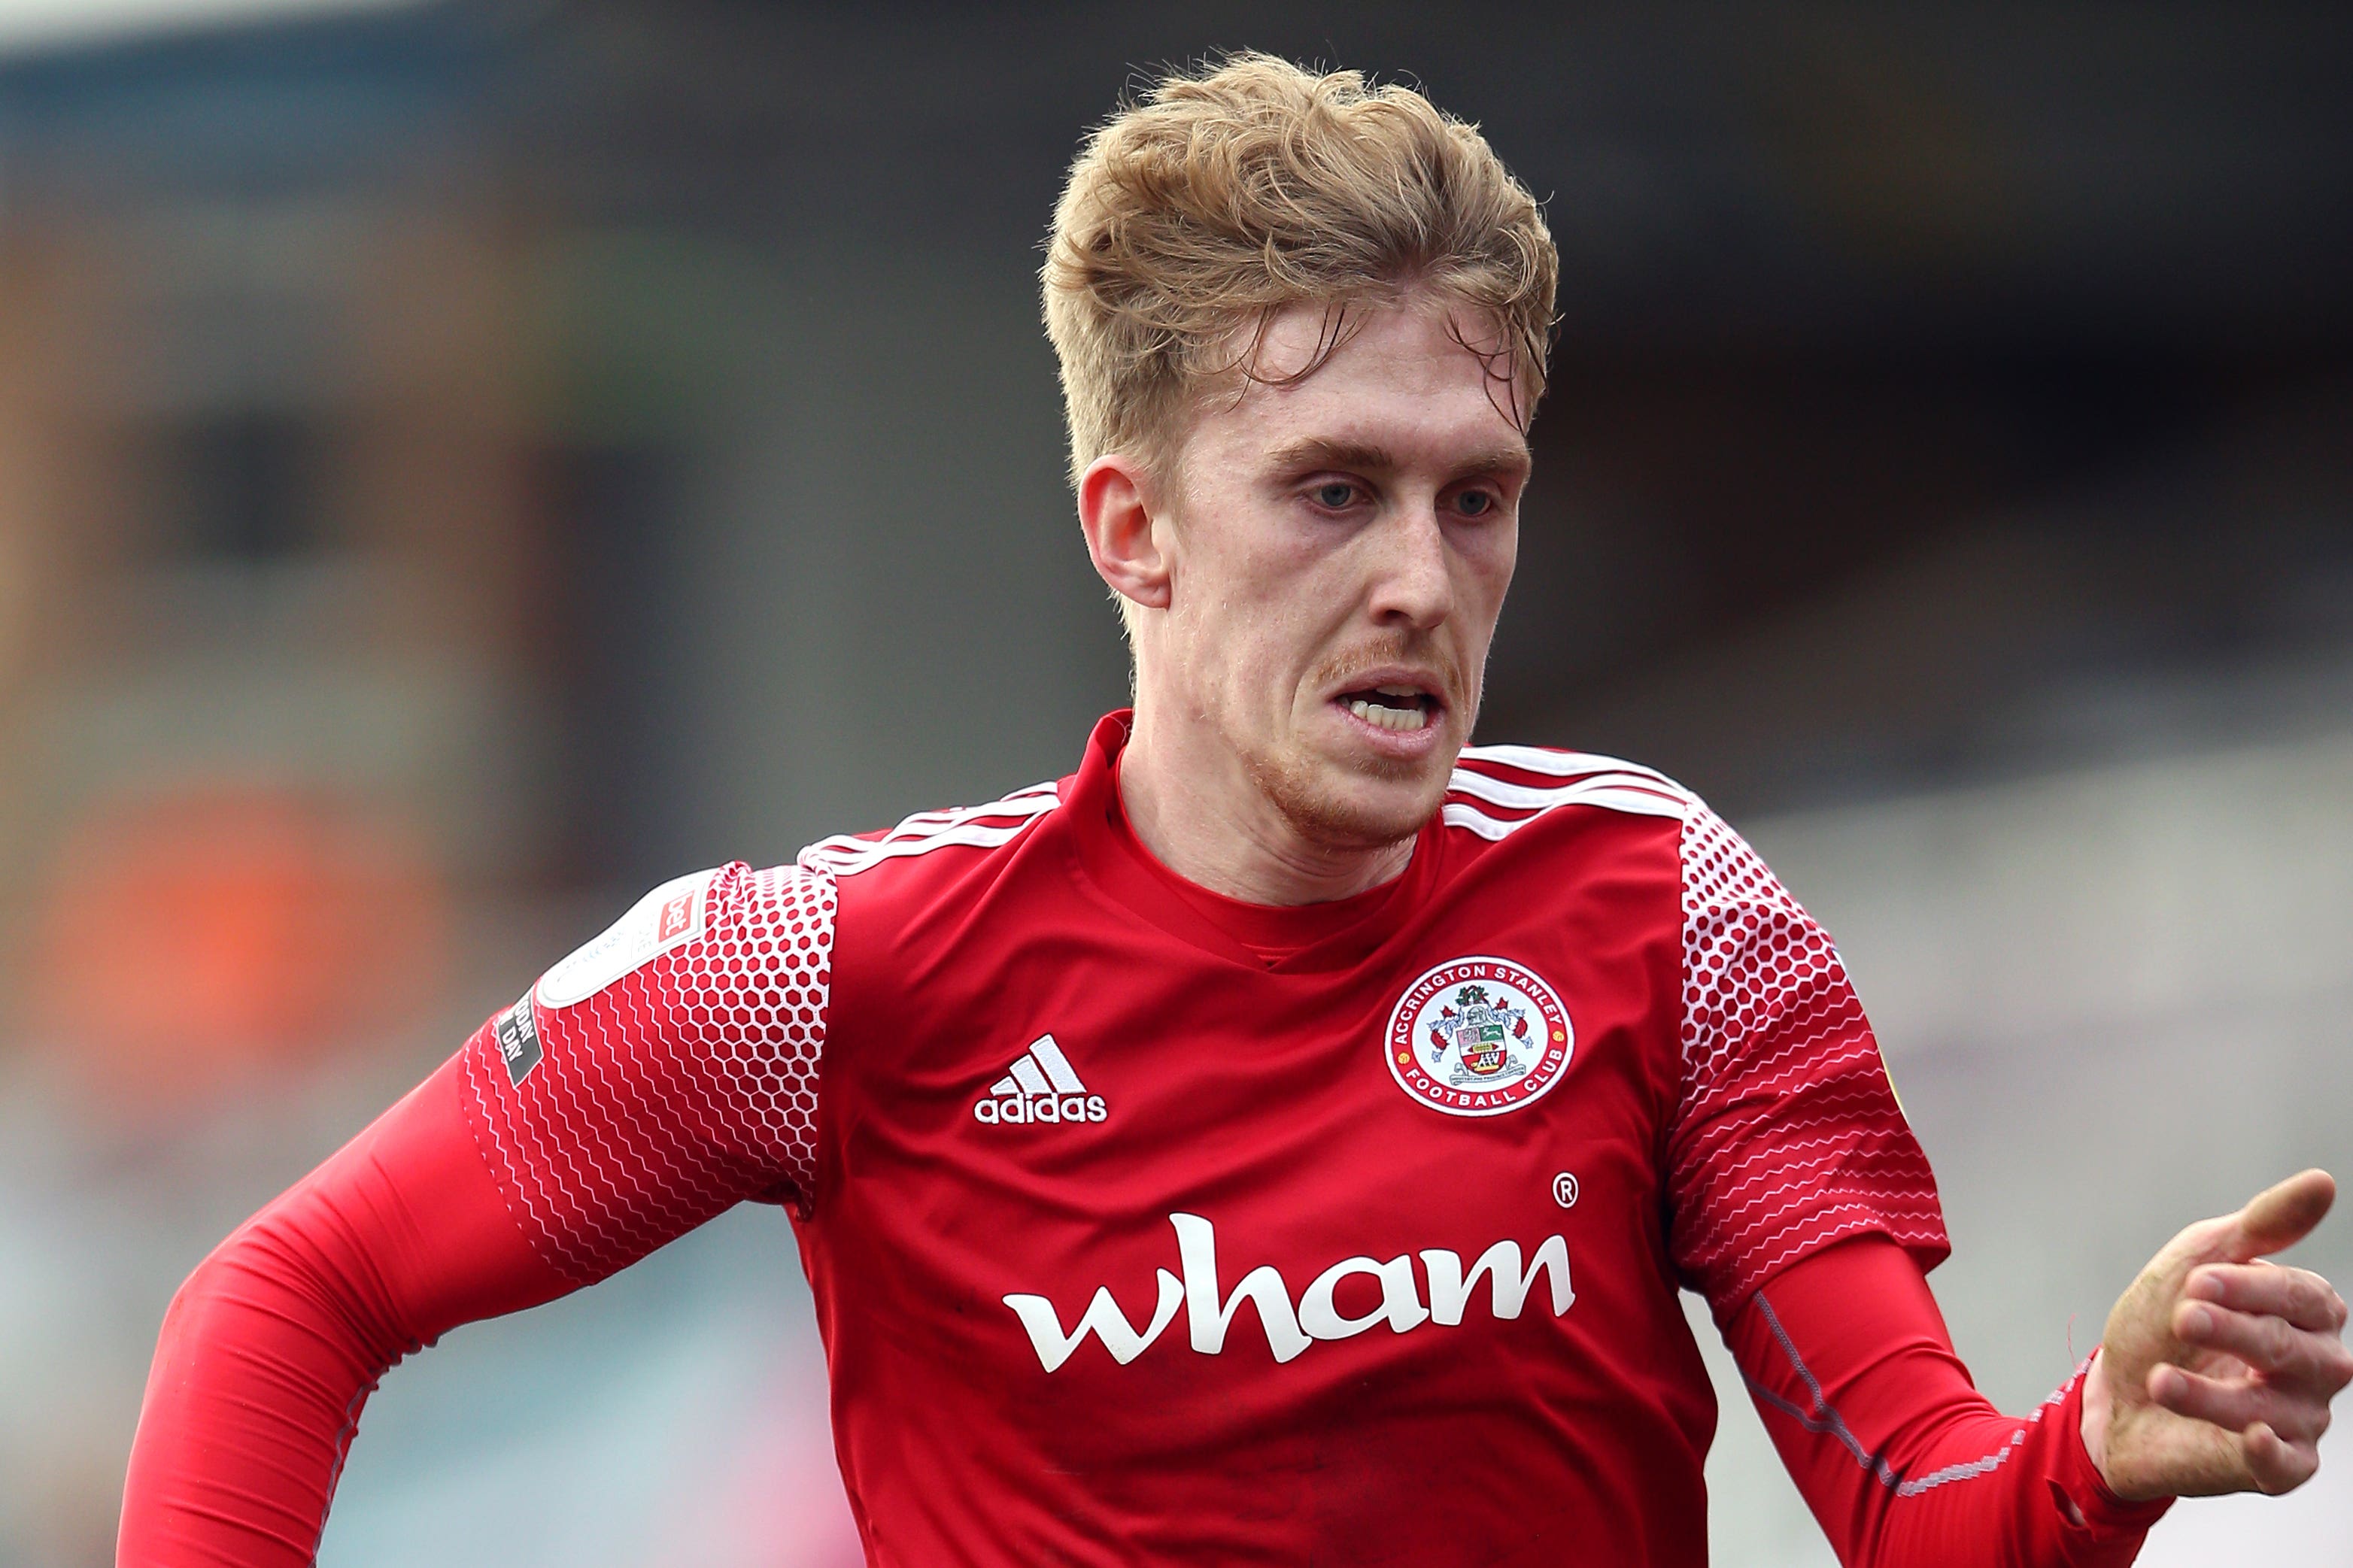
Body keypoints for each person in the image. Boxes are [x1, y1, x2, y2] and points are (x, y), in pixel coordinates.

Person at [118, 54, 2347, 1567]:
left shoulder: (1672, 914)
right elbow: (285, 1294)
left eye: (1478, 499)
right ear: (1132, 530)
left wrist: (2094, 1456)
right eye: (1334, 491)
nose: (1422, 578)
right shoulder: (834, 977)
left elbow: (1918, 1506)